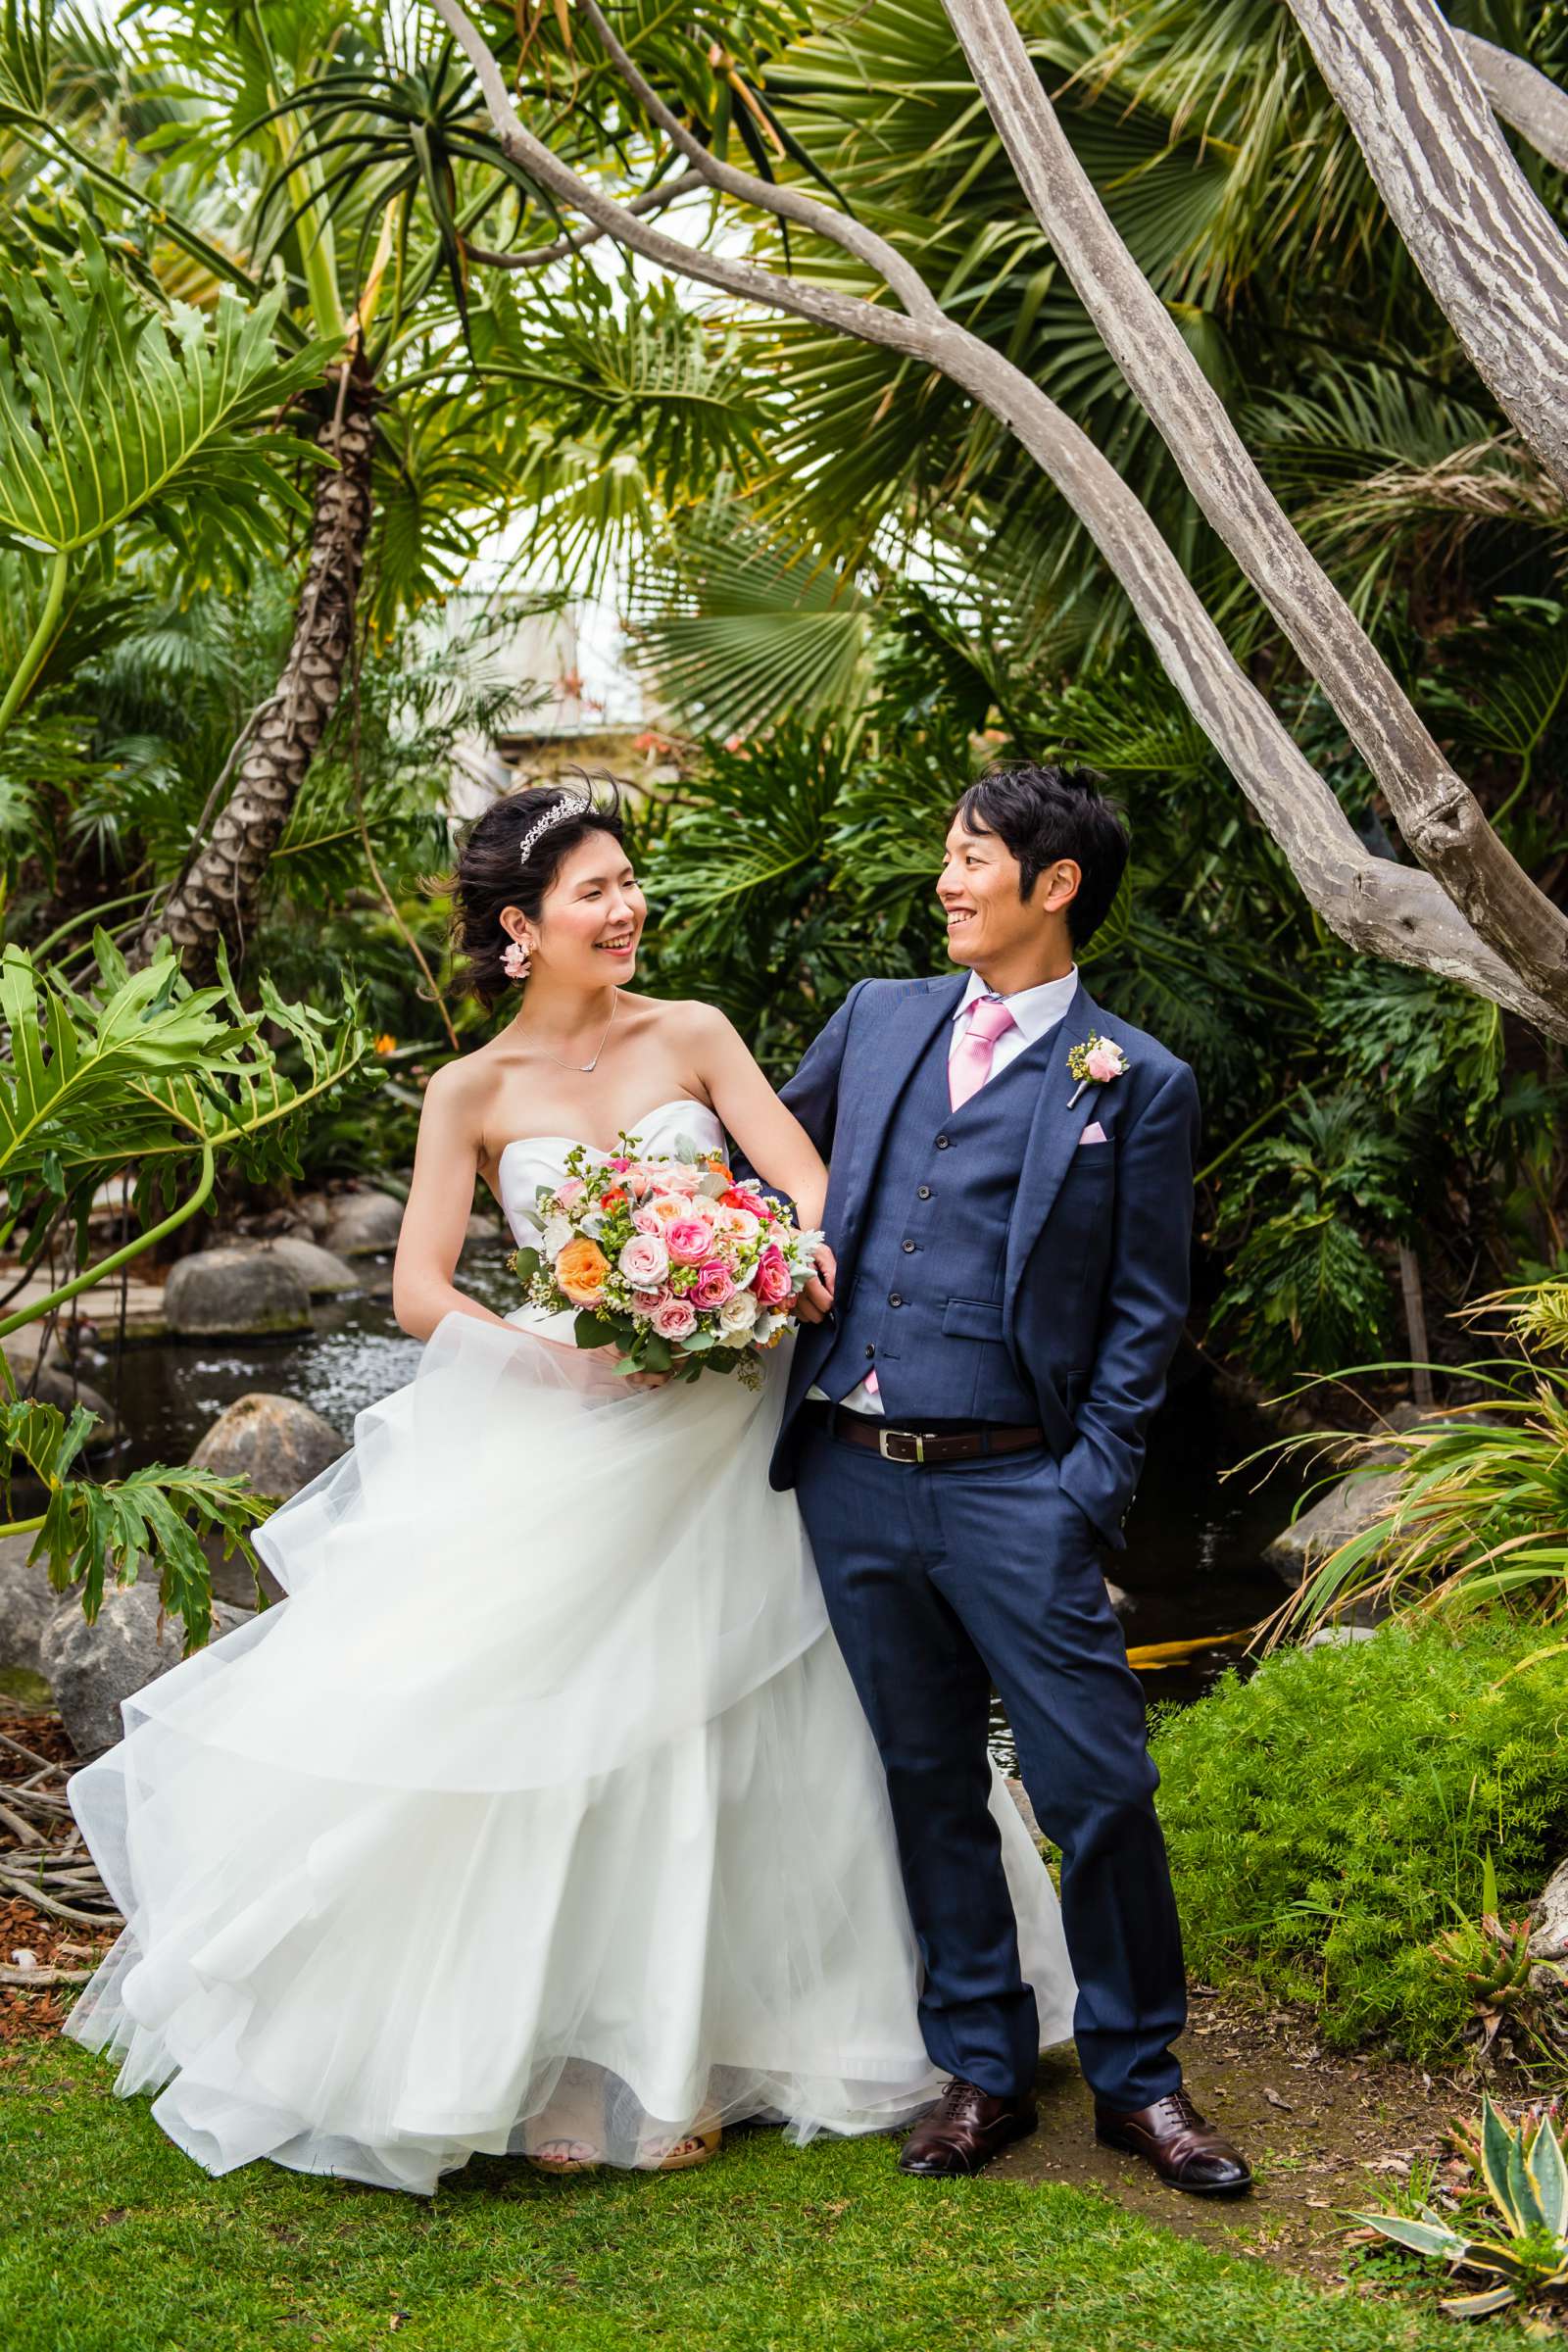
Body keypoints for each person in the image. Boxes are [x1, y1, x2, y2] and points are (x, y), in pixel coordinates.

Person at [63, 779, 1074, 2195]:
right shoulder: (467, 1091)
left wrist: (762, 1285)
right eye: (596, 891)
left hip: (729, 1428)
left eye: (628, 883)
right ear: (519, 930)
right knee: (555, 1719)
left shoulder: (696, 1034)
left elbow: (808, 1191)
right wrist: (561, 1364)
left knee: (758, 1720)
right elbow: (419, 1291)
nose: (627, 908)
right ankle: (557, 2053)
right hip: (565, 1421)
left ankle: (743, 2036)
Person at [771, 763, 1251, 2194]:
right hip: (854, 1473)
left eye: (972, 854)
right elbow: (766, 1165)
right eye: (948, 851)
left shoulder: (1136, 1079)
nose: (947, 878)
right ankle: (981, 2072)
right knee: (927, 1782)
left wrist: (1081, 1490)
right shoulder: (879, 1019)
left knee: (1095, 1783)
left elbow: (1143, 1315)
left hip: (1013, 1488)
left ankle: (1140, 2082)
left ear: (1055, 887)